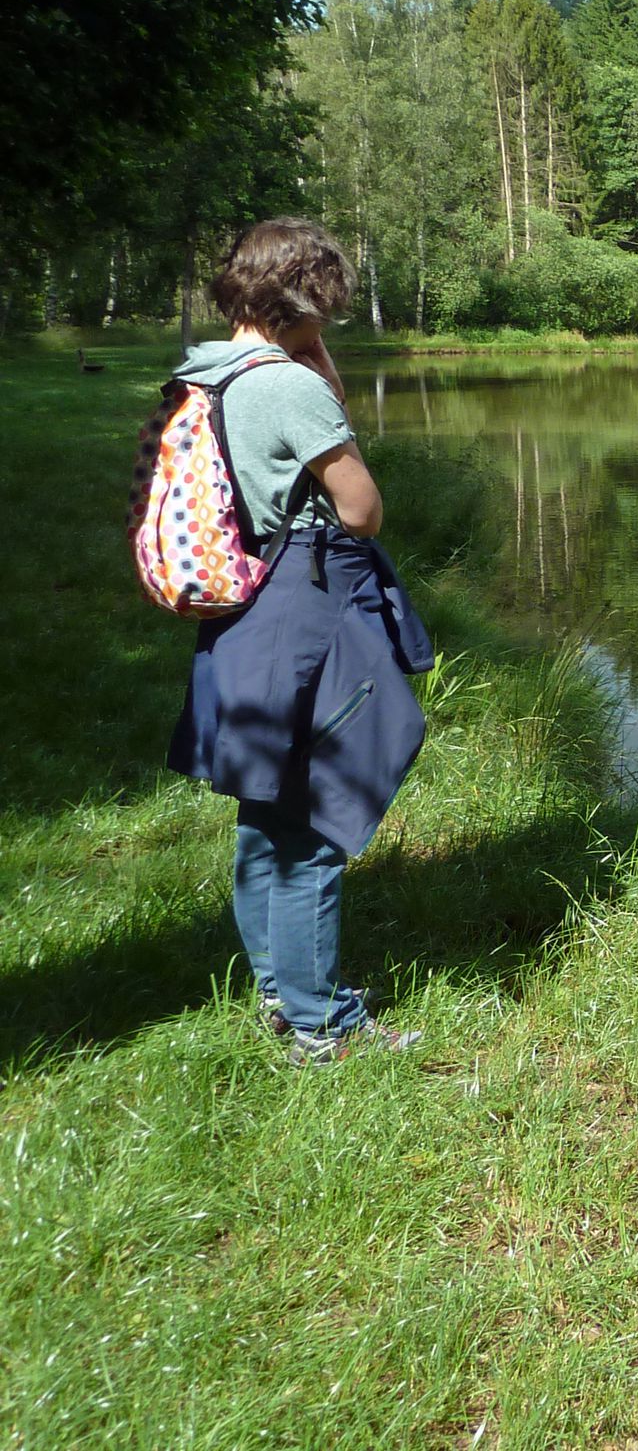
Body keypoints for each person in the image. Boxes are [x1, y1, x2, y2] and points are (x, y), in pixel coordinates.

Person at [166, 218, 433, 1064]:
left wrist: (310, 357)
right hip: (304, 607)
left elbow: (319, 406)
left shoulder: (212, 371)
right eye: (328, 308)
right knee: (317, 821)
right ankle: (325, 1029)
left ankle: (285, 996)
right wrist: (314, 369)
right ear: (303, 298)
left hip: (246, 608)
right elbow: (361, 509)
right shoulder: (288, 387)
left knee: (265, 816)